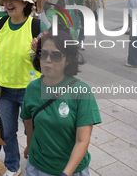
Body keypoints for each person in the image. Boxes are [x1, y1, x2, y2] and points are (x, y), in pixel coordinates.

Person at [0, 0, 48, 176]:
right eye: (6, 0)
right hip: (4, 88)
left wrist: (41, 51)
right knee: (7, 132)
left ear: (25, 3)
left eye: (14, 0)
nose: (9, 4)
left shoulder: (37, 25)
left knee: (33, 131)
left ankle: (36, 164)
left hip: (31, 89)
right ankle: (13, 165)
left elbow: (55, 55)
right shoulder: (1, 23)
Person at [20, 32, 101, 176]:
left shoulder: (81, 92)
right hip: (36, 167)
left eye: (55, 55)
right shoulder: (32, 89)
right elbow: (29, 123)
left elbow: (82, 140)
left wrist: (66, 173)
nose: (47, 60)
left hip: (71, 170)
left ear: (68, 60)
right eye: (43, 53)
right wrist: (29, 145)